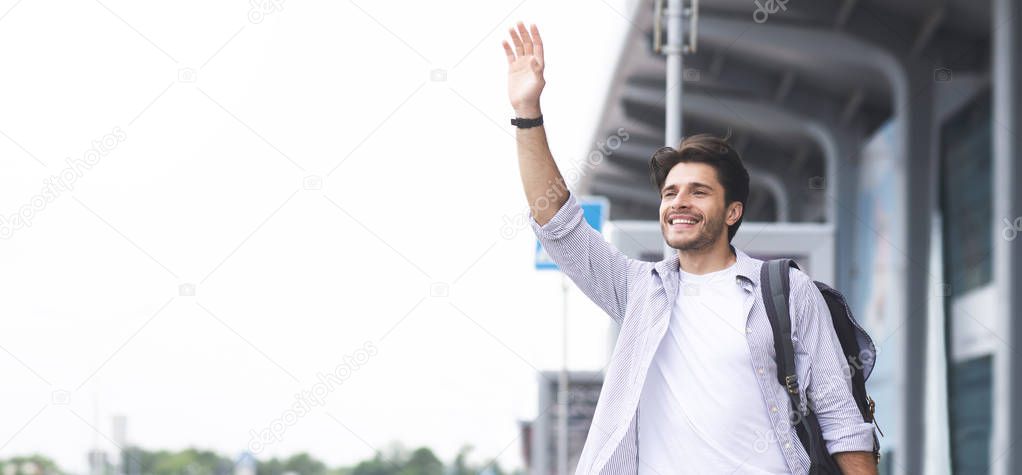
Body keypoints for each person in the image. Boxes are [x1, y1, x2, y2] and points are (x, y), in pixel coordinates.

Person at [502, 22, 878, 475]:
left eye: (698, 192)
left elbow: (842, 418)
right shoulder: (636, 289)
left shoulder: (787, 291)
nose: (678, 201)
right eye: (669, 193)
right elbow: (557, 223)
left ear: (733, 212)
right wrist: (527, 113)